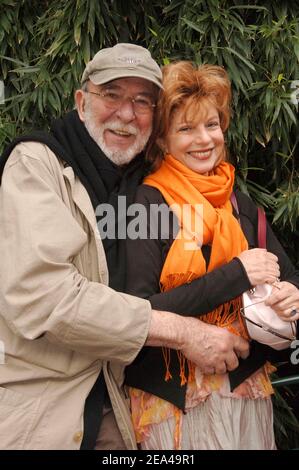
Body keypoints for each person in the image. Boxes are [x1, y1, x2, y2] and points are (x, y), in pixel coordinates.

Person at [0, 44, 251, 450]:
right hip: (43, 408)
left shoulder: (146, 182)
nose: (126, 112)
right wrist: (184, 332)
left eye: (142, 101)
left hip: (117, 404)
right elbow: (42, 296)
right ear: (82, 102)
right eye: (111, 94)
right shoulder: (37, 165)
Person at [124, 61, 299, 450]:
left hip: (246, 389)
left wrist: (292, 294)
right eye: (185, 129)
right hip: (178, 400)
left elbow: (289, 274)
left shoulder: (238, 201)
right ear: (162, 141)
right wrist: (237, 274)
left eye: (212, 125)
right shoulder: (146, 204)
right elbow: (141, 311)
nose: (204, 139)